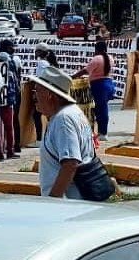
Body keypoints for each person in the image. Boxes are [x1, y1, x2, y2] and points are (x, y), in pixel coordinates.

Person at [31, 68, 114, 202]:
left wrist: (52, 202)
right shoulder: (69, 113)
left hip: (68, 205)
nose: (34, 97)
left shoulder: (63, 119)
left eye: (37, 91)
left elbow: (70, 163)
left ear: (50, 95)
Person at [0, 41, 23, 157]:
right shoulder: (14, 63)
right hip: (9, 99)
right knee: (9, 126)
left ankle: (0, 151)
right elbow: (19, 78)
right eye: (12, 47)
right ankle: (11, 149)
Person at [87, 39, 115, 139]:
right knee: (103, 109)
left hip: (99, 86)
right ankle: (102, 132)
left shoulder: (97, 59)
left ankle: (102, 133)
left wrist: (73, 76)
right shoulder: (110, 58)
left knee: (99, 110)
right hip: (109, 85)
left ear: (97, 49)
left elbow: (85, 71)